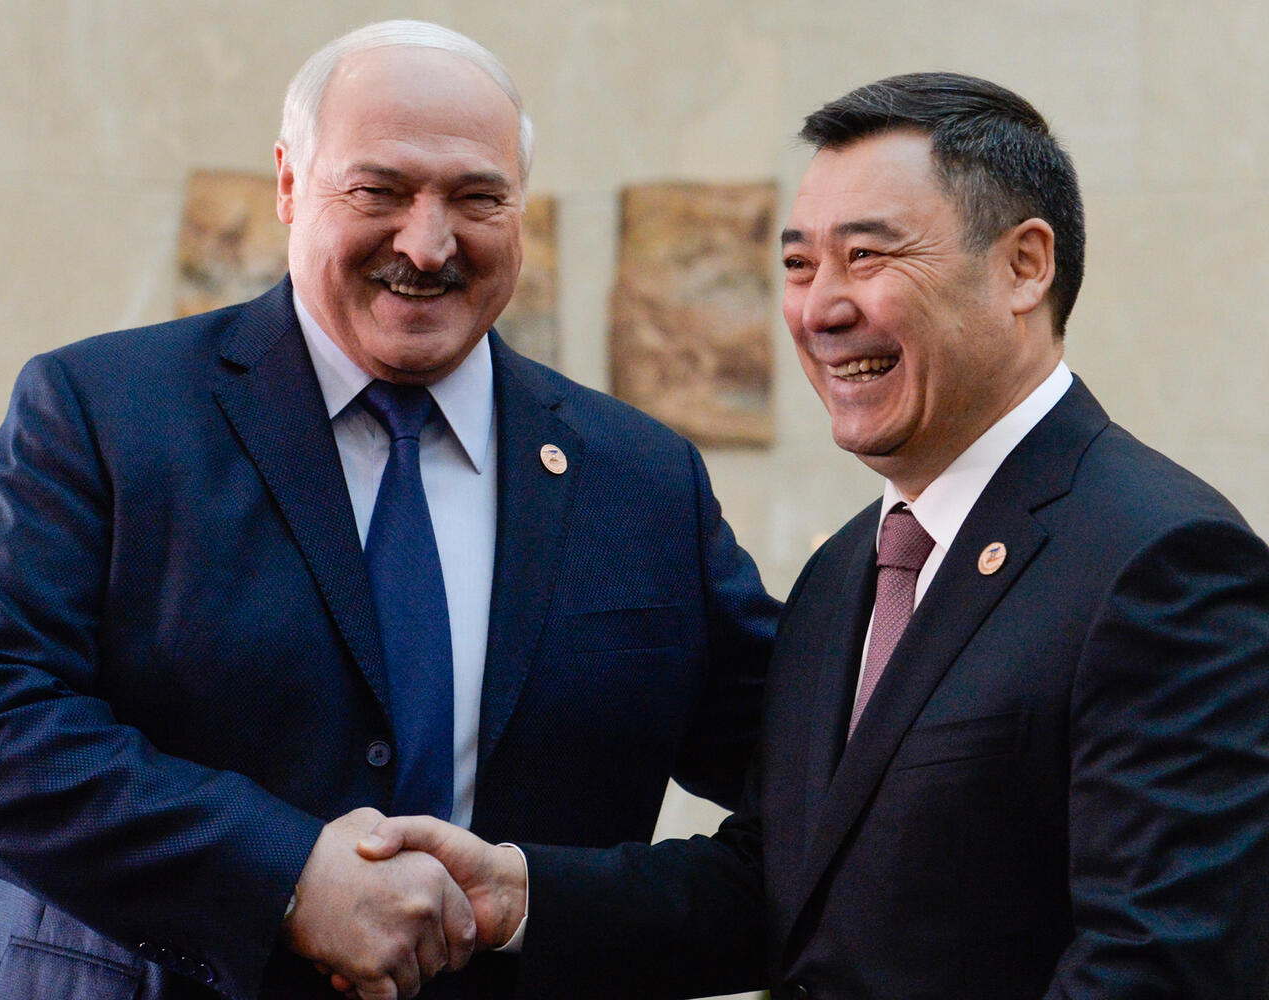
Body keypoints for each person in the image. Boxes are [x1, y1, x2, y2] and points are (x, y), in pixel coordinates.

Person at [360, 72, 1269, 999]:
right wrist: (521, 897)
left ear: (1024, 267)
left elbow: (1163, 964)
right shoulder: (849, 571)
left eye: (868, 256)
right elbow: (790, 884)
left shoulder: (1163, 563)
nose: (821, 310)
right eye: (798, 265)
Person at [0, 20, 778, 1000]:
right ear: (289, 185)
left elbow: (813, 775)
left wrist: (554, 903)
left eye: (477, 197)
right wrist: (285, 878)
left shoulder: (642, 478)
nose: (427, 243)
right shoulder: (103, 413)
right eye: (380, 191)